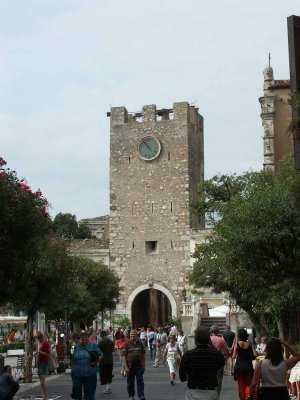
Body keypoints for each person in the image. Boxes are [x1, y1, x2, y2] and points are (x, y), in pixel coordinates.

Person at [179, 326, 225, 400]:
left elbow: (182, 376)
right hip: (210, 393)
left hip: (193, 393)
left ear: (196, 340)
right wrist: (211, 345)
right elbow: (221, 362)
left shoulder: (188, 355)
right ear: (209, 340)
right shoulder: (215, 355)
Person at [71, 331, 102, 400]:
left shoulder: (93, 346)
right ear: (81, 338)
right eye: (83, 337)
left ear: (88, 338)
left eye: (86, 337)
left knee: (89, 395)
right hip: (77, 374)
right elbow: (73, 358)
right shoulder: (77, 347)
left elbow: (101, 355)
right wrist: (72, 368)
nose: (84, 338)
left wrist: (95, 362)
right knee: (76, 391)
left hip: (89, 374)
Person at [232, 328, 257, 400]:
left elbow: (233, 357)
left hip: (239, 367)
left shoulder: (237, 344)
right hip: (248, 366)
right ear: (246, 335)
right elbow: (255, 354)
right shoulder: (250, 344)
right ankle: (248, 397)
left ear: (239, 336)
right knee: (249, 385)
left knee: (241, 386)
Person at [122, 329, 146, 400]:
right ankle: (131, 395)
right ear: (129, 335)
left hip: (139, 366)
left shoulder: (140, 343)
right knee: (130, 382)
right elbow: (124, 356)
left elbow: (143, 354)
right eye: (131, 335)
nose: (132, 336)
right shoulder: (126, 344)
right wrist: (125, 367)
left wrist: (144, 365)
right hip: (130, 367)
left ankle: (141, 395)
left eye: (134, 335)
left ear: (136, 335)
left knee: (140, 381)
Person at [210, 325, 228, 397]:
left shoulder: (208, 339)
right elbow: (226, 352)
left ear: (211, 331)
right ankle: (216, 396)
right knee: (219, 380)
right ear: (218, 332)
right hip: (219, 361)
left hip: (209, 361)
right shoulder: (221, 340)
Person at [35, 331, 51, 400]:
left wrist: (39, 352)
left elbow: (48, 354)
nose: (36, 340)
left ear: (40, 337)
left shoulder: (45, 343)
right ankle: (44, 396)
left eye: (37, 338)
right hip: (40, 362)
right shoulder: (41, 343)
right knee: (41, 382)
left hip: (44, 363)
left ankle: (45, 397)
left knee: (42, 381)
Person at [98, 330, 115, 394]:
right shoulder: (111, 342)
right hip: (110, 360)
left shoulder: (100, 342)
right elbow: (113, 350)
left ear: (101, 335)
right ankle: (109, 387)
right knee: (109, 374)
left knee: (104, 375)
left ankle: (107, 388)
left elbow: (98, 351)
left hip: (103, 361)